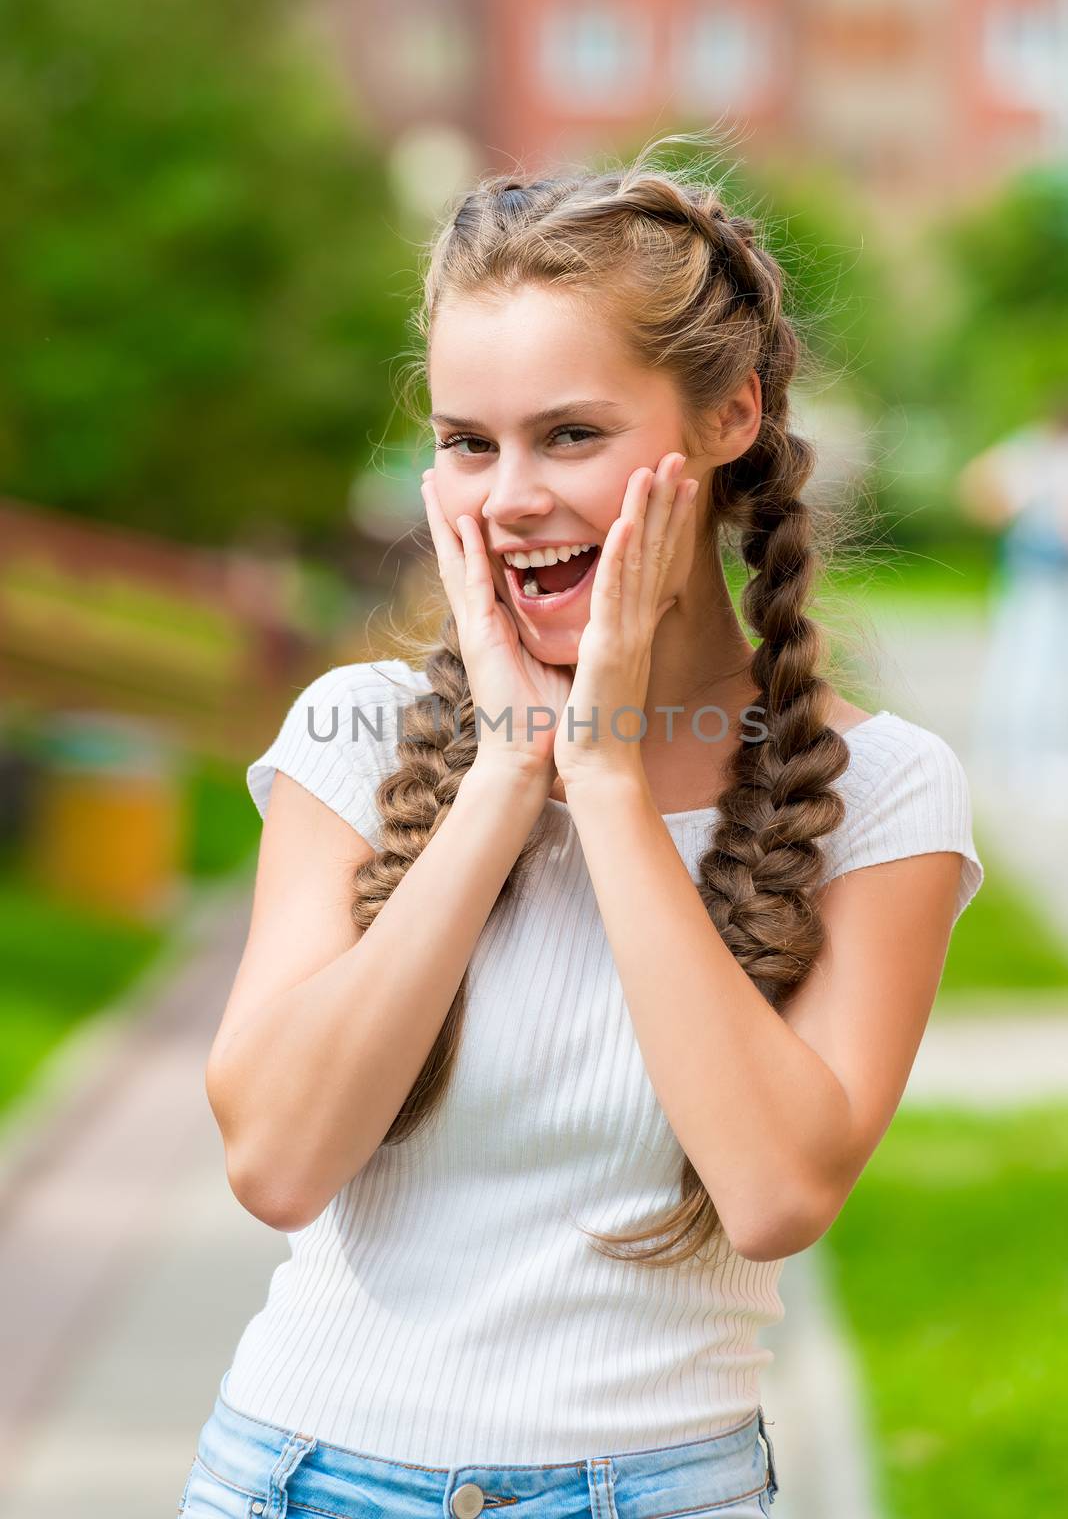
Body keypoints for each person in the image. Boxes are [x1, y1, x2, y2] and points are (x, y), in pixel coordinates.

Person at [178, 139, 984, 1519]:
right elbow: (276, 1159)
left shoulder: (883, 787)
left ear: (731, 416)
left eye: (571, 435)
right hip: (293, 1477)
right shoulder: (355, 731)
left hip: (654, 1489)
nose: (510, 500)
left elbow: (778, 1188)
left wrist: (604, 782)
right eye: (466, 445)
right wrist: (504, 781)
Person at [957, 397, 1068, 801]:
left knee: (1050, 668)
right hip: (1036, 574)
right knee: (1023, 666)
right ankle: (1010, 755)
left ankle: (1034, 754)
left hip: (1055, 575)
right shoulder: (1034, 452)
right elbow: (978, 485)